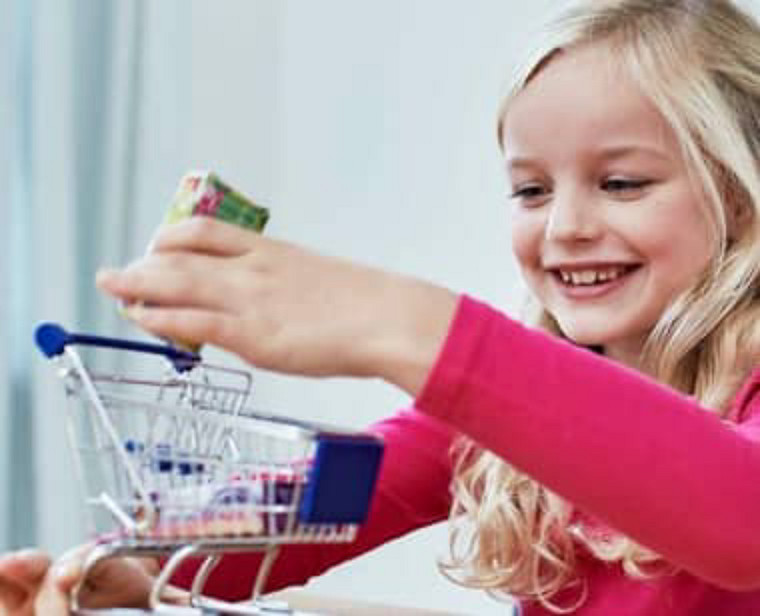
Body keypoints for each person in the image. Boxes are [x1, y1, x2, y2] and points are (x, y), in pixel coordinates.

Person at [3, 0, 760, 613]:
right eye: (531, 190)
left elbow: (742, 518)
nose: (565, 228)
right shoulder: (500, 423)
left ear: (740, 191)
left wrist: (405, 324)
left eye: (622, 183)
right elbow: (329, 500)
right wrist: (143, 572)